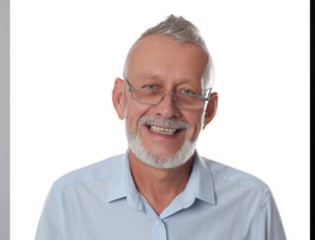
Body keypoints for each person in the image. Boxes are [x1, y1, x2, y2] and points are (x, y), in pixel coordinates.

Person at [35, 15, 285, 240]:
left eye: (187, 92)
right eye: (150, 87)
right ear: (120, 99)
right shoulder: (67, 202)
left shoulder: (253, 205)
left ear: (208, 110)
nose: (166, 109)